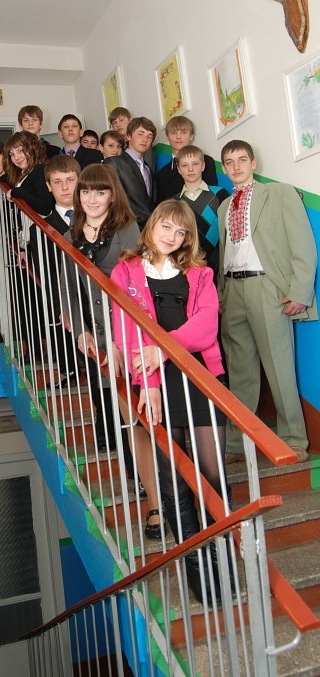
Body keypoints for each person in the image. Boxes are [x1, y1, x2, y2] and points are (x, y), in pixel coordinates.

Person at [111, 200, 228, 602]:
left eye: (181, 232)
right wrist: (149, 383)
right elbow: (126, 331)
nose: (172, 237)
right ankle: (201, 577)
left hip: (200, 376)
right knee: (174, 481)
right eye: (167, 226)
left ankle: (223, 566)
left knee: (213, 479)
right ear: (152, 225)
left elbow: (206, 328)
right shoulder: (126, 271)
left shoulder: (200, 273)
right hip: (157, 383)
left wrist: (161, 349)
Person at [60, 164, 160, 534]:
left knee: (147, 420)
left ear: (112, 194)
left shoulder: (126, 229)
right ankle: (154, 499)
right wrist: (81, 331)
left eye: (100, 192)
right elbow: (67, 288)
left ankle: (164, 499)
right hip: (98, 340)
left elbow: (133, 291)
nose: (92, 199)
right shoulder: (70, 234)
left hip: (130, 336)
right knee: (129, 420)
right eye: (86, 191)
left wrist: (119, 342)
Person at [218, 140, 317, 464]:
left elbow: (303, 245)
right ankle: (237, 443)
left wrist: (300, 291)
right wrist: (221, 294)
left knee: (279, 367)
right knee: (239, 372)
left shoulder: (280, 194)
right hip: (233, 291)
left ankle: (293, 440)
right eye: (229, 162)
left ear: (253, 163)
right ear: (224, 168)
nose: (236, 166)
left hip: (266, 287)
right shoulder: (223, 207)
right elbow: (225, 254)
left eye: (241, 159)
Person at [29, 155, 81, 384]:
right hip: (66, 297)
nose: (65, 187)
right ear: (49, 186)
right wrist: (63, 307)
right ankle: (68, 367)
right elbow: (47, 274)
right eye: (57, 182)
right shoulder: (40, 228)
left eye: (70, 180)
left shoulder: (98, 218)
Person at [174, 145, 229, 275]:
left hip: (221, 268)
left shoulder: (219, 194)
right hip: (187, 269)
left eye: (195, 164)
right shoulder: (174, 203)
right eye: (185, 165)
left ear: (203, 166)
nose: (190, 169)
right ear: (179, 169)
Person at [103, 117, 156, 229]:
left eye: (149, 136)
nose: (145, 139)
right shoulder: (113, 163)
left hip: (149, 229)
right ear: (128, 136)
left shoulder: (147, 168)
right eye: (140, 134)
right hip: (125, 228)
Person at [156, 116, 218, 203]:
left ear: (191, 135)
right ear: (167, 137)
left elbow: (212, 197)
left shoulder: (206, 161)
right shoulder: (162, 174)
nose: (178, 137)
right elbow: (162, 206)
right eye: (173, 133)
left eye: (184, 132)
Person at [4, 131, 55, 216]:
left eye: (20, 151)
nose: (16, 157)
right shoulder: (22, 172)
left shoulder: (39, 170)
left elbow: (46, 208)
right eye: (12, 154)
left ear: (32, 148)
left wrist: (18, 192)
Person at [109, 106, 155, 172]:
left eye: (121, 120)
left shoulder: (142, 142)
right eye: (114, 122)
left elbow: (148, 169)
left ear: (130, 119)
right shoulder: (114, 144)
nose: (118, 125)